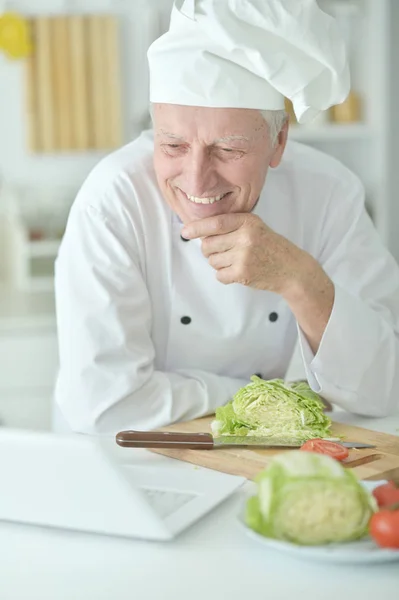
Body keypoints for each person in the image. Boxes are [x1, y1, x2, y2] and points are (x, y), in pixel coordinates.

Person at [53, 0, 399, 434]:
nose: (197, 180)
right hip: (129, 463)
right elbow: (105, 403)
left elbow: (383, 386)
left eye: (229, 149)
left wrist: (299, 279)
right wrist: (263, 400)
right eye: (173, 146)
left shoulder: (329, 193)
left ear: (278, 142)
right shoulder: (113, 201)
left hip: (263, 457)